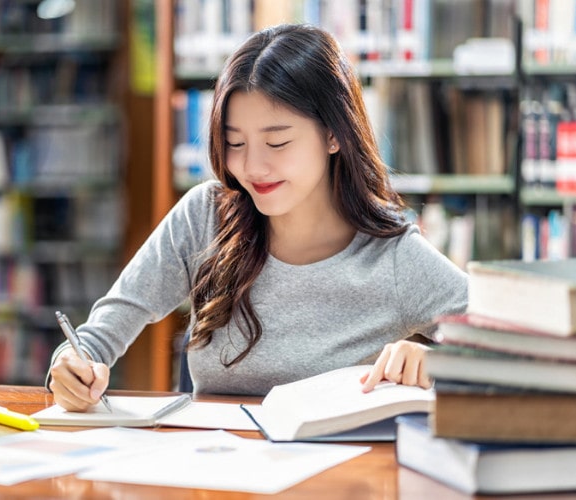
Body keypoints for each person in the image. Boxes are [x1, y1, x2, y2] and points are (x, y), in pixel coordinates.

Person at [48, 24, 467, 411]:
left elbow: (518, 353)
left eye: (277, 142)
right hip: (218, 474)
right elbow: (94, 339)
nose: (252, 167)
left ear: (335, 134)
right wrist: (71, 365)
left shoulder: (393, 257)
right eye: (235, 142)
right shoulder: (204, 217)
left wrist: (437, 362)